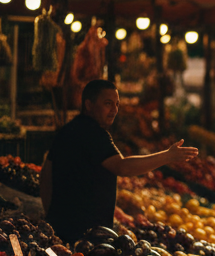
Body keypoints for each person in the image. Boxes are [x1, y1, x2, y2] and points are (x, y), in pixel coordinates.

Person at [40, 79, 199, 243]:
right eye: (108, 104)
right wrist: (167, 156)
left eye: (117, 104)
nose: (114, 110)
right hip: (86, 237)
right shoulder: (95, 134)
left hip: (61, 230)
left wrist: (52, 216)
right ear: (88, 105)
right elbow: (123, 167)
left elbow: (45, 176)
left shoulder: (67, 130)